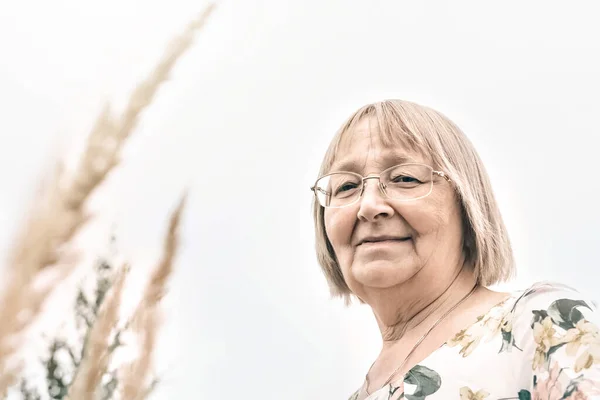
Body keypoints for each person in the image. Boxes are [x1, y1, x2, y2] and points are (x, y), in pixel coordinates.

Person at [310, 100, 600, 400]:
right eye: (345, 186)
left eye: (404, 178)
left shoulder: (541, 324)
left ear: (467, 205)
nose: (368, 206)